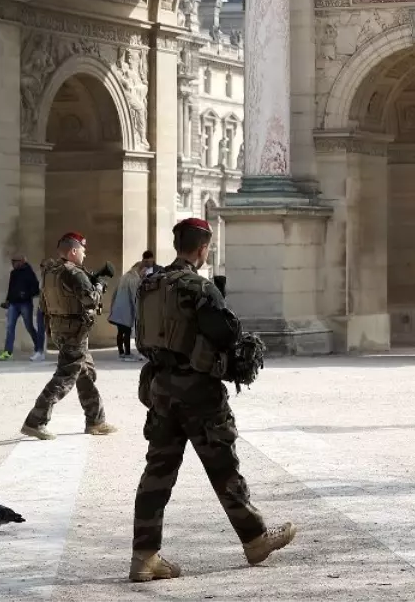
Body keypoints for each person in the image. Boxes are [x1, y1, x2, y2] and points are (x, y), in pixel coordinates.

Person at [130, 218, 295, 582]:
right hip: (198, 391)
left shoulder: (149, 284)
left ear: (177, 244)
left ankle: (144, 557)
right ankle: (254, 540)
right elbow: (227, 334)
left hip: (159, 388)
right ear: (203, 248)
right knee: (223, 467)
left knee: (157, 472)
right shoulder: (197, 287)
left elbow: (140, 335)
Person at [19, 233, 118, 441]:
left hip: (60, 328)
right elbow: (90, 301)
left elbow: (44, 304)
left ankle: (95, 420)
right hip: (74, 332)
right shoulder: (74, 274)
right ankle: (35, 421)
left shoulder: (50, 272)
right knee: (66, 376)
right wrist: (99, 286)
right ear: (73, 251)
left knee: (85, 373)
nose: (85, 253)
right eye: (82, 250)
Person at [109, 250, 157, 361]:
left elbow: (114, 294)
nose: (144, 274)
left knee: (120, 332)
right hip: (126, 310)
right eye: (143, 272)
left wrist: (112, 308)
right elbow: (135, 297)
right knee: (127, 331)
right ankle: (127, 354)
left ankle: (121, 353)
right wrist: (139, 312)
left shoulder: (124, 277)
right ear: (140, 269)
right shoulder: (134, 279)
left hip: (118, 309)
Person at [0, 254, 41, 361]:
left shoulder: (29, 273)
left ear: (22, 261)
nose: (13, 264)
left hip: (25, 304)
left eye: (15, 261)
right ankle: (8, 352)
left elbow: (36, 289)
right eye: (12, 261)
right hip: (13, 304)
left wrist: (25, 294)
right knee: (10, 327)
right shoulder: (13, 273)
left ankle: (38, 349)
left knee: (29, 327)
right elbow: (10, 288)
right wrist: (7, 300)